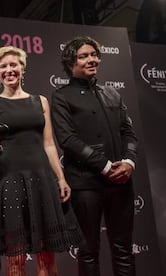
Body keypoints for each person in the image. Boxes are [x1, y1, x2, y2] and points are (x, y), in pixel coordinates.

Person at [0, 46, 84, 276]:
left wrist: (61, 178)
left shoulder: (41, 101)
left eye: (14, 64)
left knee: (47, 257)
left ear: (23, 68)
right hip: (11, 183)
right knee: (15, 260)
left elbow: (48, 144)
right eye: (3, 66)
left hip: (43, 181)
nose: (9, 70)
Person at [50, 36, 138, 276]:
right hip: (85, 184)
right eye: (84, 56)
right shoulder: (61, 96)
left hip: (121, 182)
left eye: (94, 55)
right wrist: (106, 166)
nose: (92, 59)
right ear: (71, 63)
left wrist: (129, 162)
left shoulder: (112, 94)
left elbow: (128, 132)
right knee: (88, 252)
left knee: (124, 249)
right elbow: (67, 140)